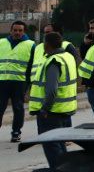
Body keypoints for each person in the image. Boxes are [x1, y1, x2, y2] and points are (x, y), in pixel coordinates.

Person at [28, 30, 76, 162]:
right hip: (64, 109)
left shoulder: (54, 61)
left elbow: (52, 90)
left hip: (52, 112)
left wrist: (44, 109)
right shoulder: (68, 57)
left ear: (47, 44)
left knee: (52, 148)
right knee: (59, 145)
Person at [0, 20, 33, 143]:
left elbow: (31, 66)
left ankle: (16, 132)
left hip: (19, 82)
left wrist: (29, 83)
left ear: (24, 31)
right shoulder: (1, 42)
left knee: (18, 108)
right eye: (15, 30)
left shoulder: (30, 45)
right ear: (10, 30)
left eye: (20, 30)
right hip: (2, 82)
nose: (17, 33)